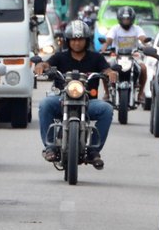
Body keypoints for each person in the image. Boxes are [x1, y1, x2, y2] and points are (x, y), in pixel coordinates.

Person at [33, 19, 115, 170]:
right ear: (68, 41)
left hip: (88, 102)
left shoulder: (96, 58)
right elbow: (47, 64)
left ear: (86, 40)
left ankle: (93, 151)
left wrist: (110, 73)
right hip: (61, 100)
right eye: (74, 40)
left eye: (80, 39)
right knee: (45, 104)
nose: (77, 43)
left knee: (107, 109)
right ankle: (50, 147)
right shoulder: (60, 57)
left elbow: (105, 69)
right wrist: (41, 66)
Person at [100, 6, 149, 101]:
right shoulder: (115, 29)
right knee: (105, 68)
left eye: (128, 19)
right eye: (124, 19)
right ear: (119, 19)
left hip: (133, 56)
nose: (126, 21)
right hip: (117, 57)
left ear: (132, 19)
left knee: (143, 68)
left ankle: (140, 93)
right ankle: (106, 92)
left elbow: (142, 38)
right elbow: (109, 40)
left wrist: (147, 45)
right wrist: (104, 48)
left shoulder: (137, 29)